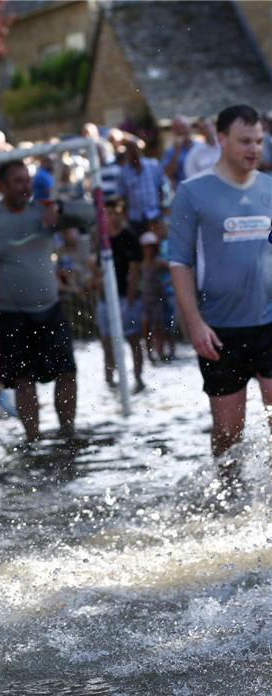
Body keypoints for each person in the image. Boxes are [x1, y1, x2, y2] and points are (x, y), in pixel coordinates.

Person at [0, 160, 95, 442]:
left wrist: (62, 208)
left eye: (27, 181)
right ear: (2, 186)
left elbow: (92, 215)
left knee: (67, 372)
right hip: (9, 313)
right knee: (22, 380)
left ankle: (69, 435)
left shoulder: (43, 210)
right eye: (18, 181)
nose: (25, 187)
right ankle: (33, 441)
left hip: (50, 309)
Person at [168, 104, 272, 460]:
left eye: (259, 141)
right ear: (222, 139)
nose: (255, 149)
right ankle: (227, 498)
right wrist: (195, 322)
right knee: (229, 431)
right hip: (219, 328)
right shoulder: (192, 192)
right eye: (245, 141)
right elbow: (179, 263)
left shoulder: (270, 189)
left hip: (270, 322)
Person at [92, 198, 145, 392]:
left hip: (125, 297)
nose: (112, 217)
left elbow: (134, 271)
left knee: (132, 338)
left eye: (116, 213)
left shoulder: (129, 238)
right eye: (109, 213)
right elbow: (99, 269)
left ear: (122, 215)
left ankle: (138, 377)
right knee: (106, 340)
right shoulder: (103, 239)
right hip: (106, 299)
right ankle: (109, 377)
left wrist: (130, 300)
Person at [139, 231, 168, 364]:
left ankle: (160, 352)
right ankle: (149, 354)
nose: (149, 250)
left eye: (152, 247)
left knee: (158, 326)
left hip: (157, 299)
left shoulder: (159, 263)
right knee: (145, 327)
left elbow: (174, 273)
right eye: (147, 247)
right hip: (144, 300)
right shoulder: (140, 264)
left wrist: (164, 285)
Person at [182, 115, 221, 180]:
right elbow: (190, 172)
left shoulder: (226, 146)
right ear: (200, 131)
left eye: (207, 126)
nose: (206, 130)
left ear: (215, 126)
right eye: (202, 128)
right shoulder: (195, 152)